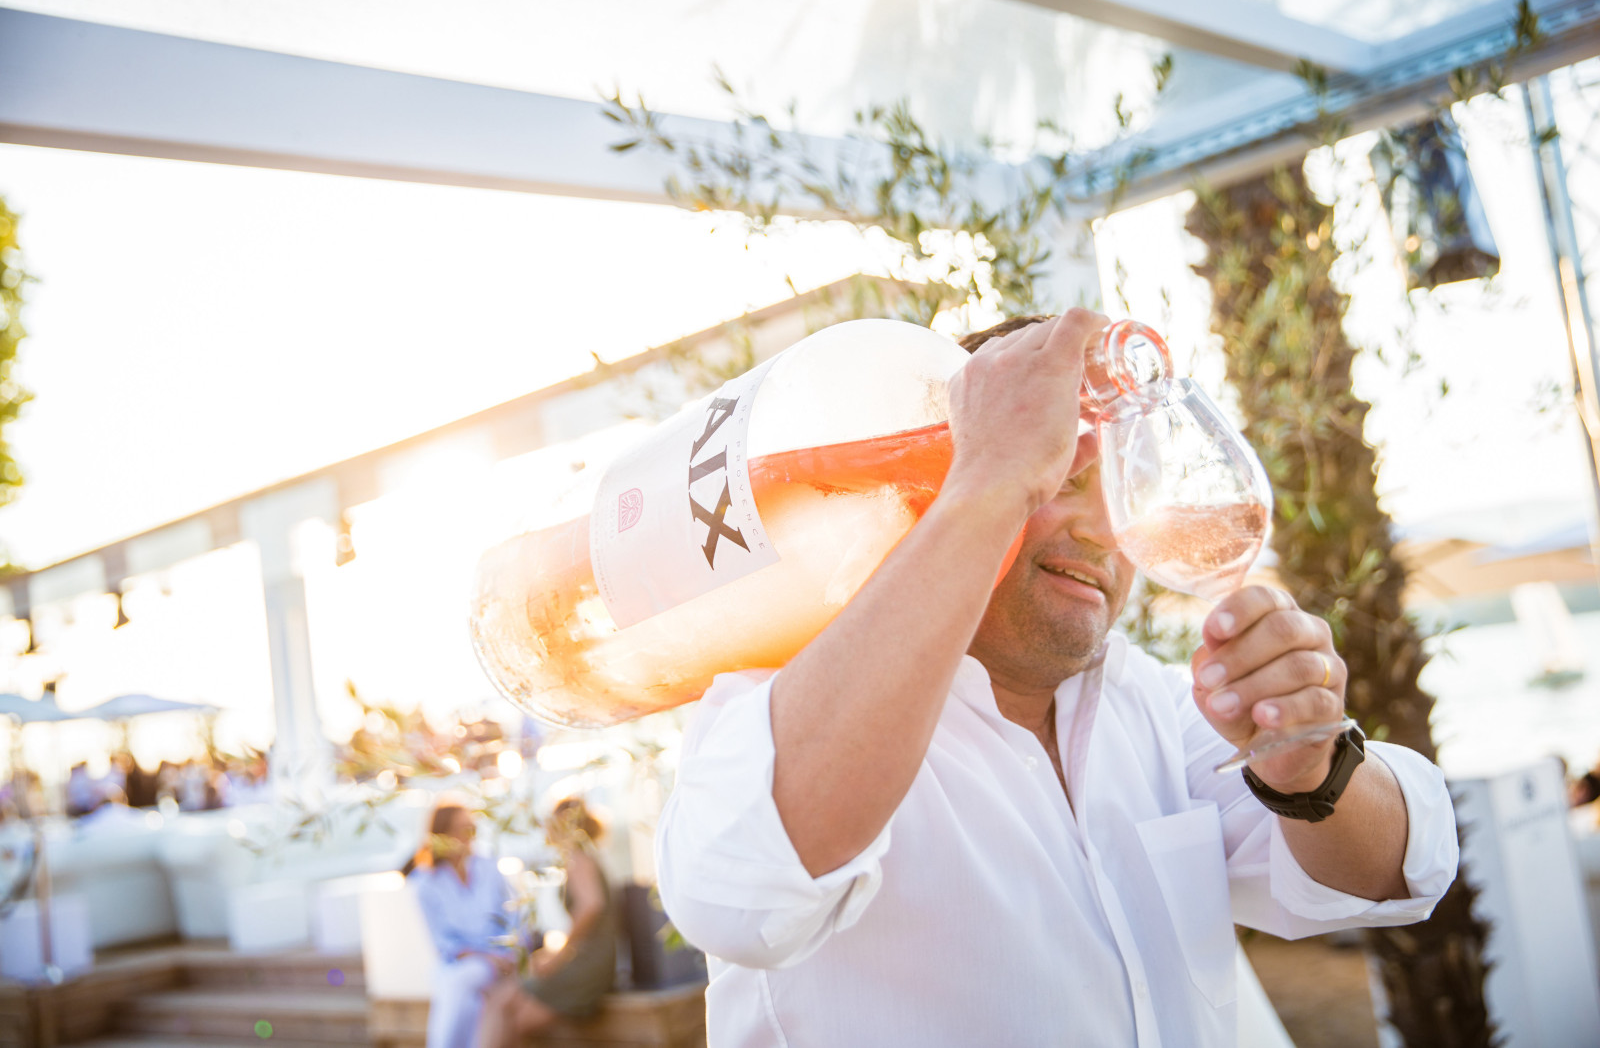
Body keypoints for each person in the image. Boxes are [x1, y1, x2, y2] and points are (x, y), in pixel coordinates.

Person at [656, 311, 1460, 1046]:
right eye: (1058, 477)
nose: (1105, 529)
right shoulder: (784, 697)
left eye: (1124, 489)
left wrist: (1311, 768)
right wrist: (993, 481)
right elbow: (738, 900)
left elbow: (1399, 868)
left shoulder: (1150, 701)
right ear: (936, 486)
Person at [476, 796, 617, 1048]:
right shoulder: (583, 855)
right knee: (505, 1001)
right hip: (590, 958)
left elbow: (591, 907)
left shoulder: (578, 857)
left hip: (587, 963)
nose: (545, 828)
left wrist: (559, 955)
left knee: (511, 1014)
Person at [408, 799, 519, 1048]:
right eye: (463, 829)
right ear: (442, 834)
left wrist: (507, 955)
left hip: (501, 963)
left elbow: (514, 918)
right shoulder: (425, 882)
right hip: (461, 965)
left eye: (473, 828)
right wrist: (486, 956)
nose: (470, 836)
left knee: (458, 987)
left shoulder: (490, 868)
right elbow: (443, 943)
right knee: (468, 995)